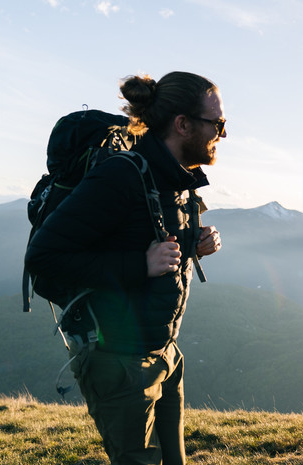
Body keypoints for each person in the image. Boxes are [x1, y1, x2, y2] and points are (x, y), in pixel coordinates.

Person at [25, 71, 225, 465]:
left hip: (165, 353)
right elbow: (44, 256)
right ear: (183, 125)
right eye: (216, 123)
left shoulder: (176, 180)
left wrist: (198, 244)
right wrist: (140, 264)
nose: (221, 133)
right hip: (119, 362)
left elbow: (146, 237)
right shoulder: (121, 175)